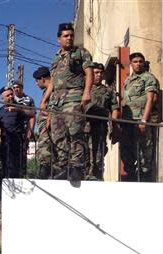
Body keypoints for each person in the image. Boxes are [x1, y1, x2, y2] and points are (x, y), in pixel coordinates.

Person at [49, 23, 93, 181]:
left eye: (71, 35)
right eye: (66, 36)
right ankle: (63, 166)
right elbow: (53, 82)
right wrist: (46, 101)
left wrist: (87, 92)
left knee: (75, 132)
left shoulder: (81, 52)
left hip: (74, 97)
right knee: (58, 135)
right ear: (58, 39)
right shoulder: (55, 58)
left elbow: (89, 73)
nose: (69, 38)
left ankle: (77, 166)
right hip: (56, 101)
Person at [121, 52, 159, 182]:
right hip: (128, 120)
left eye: (140, 62)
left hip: (140, 120)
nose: (138, 64)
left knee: (144, 151)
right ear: (131, 64)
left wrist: (144, 119)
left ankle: (145, 177)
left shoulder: (147, 77)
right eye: (135, 62)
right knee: (126, 150)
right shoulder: (128, 80)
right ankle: (131, 175)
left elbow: (151, 99)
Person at [84, 63, 120, 180]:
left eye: (100, 73)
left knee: (98, 158)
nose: (99, 75)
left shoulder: (108, 91)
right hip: (84, 128)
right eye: (96, 73)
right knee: (82, 156)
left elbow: (114, 109)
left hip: (99, 129)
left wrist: (113, 126)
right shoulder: (84, 89)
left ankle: (97, 178)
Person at [0, 86, 34, 178]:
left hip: (16, 140)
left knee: (16, 165)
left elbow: (31, 114)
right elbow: (0, 122)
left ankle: (14, 180)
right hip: (5, 141)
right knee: (5, 163)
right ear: (2, 98)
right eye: (7, 95)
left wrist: (19, 110)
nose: (10, 96)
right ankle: (5, 180)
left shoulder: (19, 106)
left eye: (11, 94)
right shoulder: (1, 110)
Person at [33, 66, 54, 179]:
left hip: (50, 124)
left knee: (46, 147)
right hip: (44, 126)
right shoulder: (46, 92)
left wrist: (50, 116)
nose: (36, 84)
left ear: (42, 78)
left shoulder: (54, 89)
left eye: (37, 81)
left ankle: (45, 168)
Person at [12, 80, 36, 177]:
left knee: (22, 155)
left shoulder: (28, 99)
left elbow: (33, 116)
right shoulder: (10, 98)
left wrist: (31, 131)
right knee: (11, 155)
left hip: (24, 130)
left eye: (17, 87)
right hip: (12, 131)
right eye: (14, 87)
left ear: (22, 87)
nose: (15, 89)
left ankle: (22, 176)